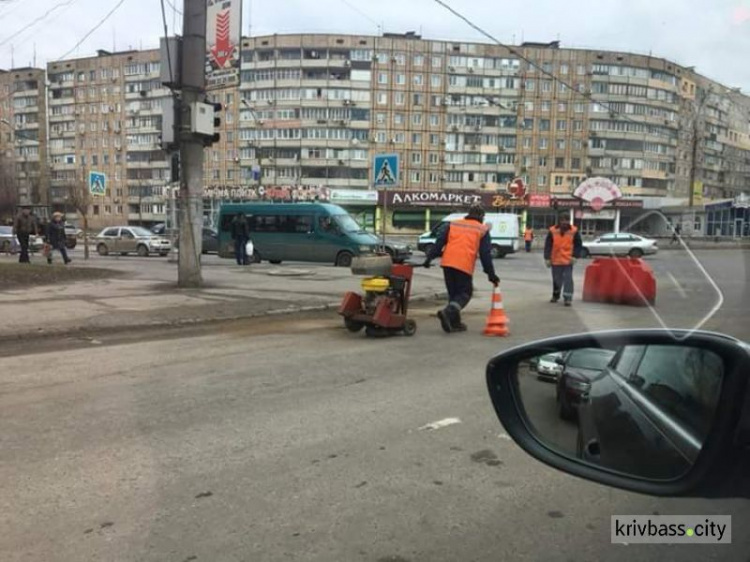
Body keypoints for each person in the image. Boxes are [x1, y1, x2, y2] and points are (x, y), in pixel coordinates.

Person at [423, 203, 500, 333]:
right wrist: (491, 274)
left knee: (454, 294)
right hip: (463, 265)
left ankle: (455, 323)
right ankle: (448, 312)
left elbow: (439, 242)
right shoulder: (482, 230)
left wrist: (429, 258)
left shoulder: (453, 224)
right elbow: (485, 255)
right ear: (481, 217)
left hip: (447, 263)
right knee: (465, 293)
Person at [544, 213, 583, 307]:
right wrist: (547, 258)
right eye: (562, 220)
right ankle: (555, 295)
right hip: (555, 260)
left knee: (568, 279)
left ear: (569, 221)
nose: (564, 222)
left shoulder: (574, 230)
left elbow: (578, 245)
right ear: (559, 221)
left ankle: (568, 298)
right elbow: (548, 245)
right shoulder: (552, 230)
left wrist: (575, 256)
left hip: (568, 260)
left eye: (566, 220)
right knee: (556, 280)